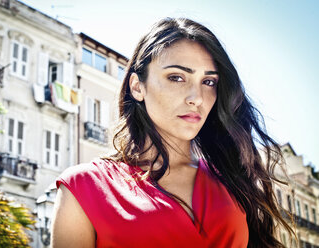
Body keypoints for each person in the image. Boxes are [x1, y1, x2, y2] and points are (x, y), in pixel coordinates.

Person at [51, 17, 294, 248]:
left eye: (208, 82)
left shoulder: (233, 180)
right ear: (137, 87)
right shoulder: (83, 187)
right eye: (177, 77)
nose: (197, 98)